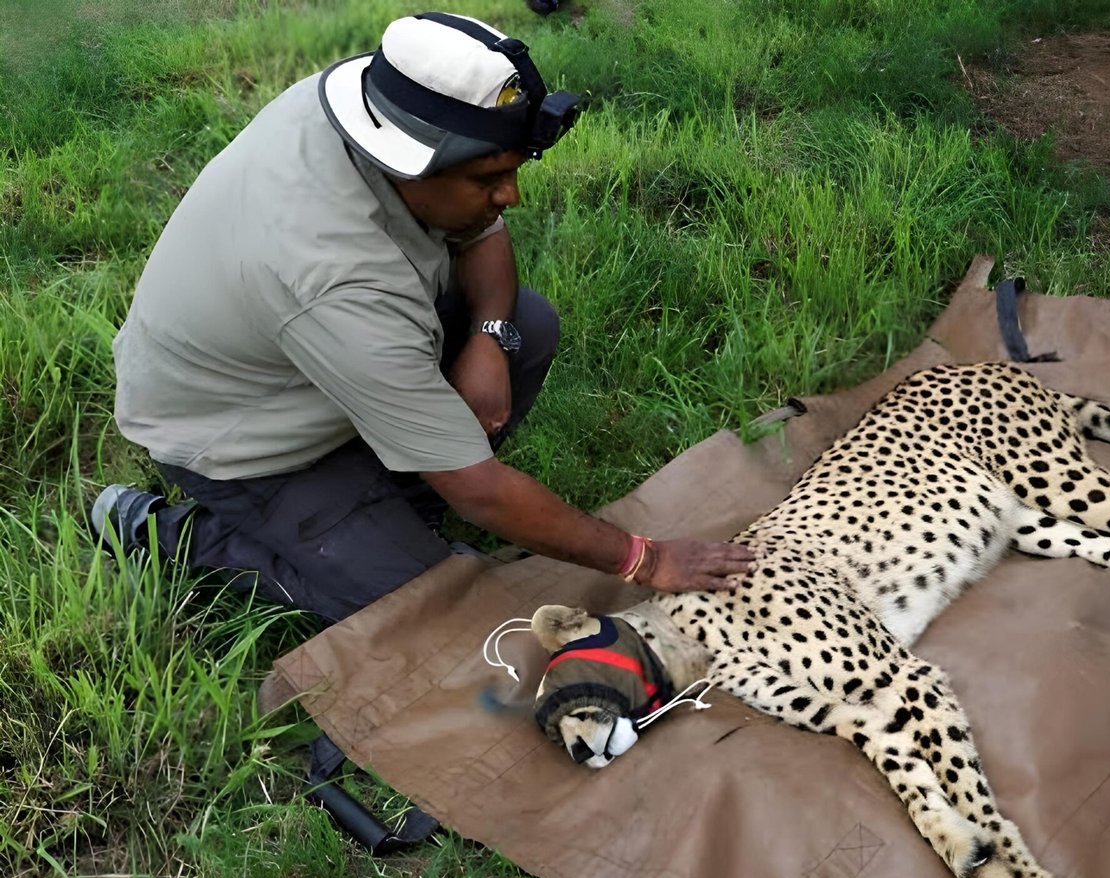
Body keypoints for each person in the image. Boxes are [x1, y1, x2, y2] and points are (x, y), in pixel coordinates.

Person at [95, 11, 755, 623]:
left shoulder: (384, 107)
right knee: (433, 606)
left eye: (514, 170)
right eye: (489, 178)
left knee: (527, 324)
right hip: (242, 441)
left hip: (325, 366)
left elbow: (482, 230)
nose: (512, 195)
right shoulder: (331, 273)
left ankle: (392, 501)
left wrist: (489, 339)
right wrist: (646, 558)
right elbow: (481, 492)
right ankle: (180, 535)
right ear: (409, 164)